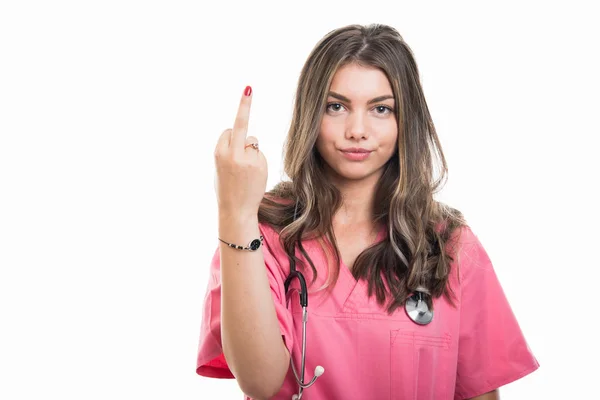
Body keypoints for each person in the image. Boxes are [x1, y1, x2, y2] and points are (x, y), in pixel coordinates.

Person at [195, 23, 539, 400]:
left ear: (405, 119)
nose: (357, 130)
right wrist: (236, 212)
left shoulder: (449, 245)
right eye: (336, 106)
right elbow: (260, 382)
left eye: (380, 108)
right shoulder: (260, 237)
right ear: (311, 113)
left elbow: (480, 392)